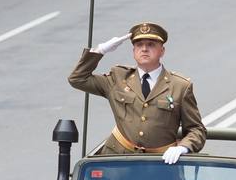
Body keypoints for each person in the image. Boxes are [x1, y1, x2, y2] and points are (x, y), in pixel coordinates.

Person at [68, 21, 206, 159]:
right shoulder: (118, 77)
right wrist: (100, 50)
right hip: (118, 160)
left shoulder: (179, 86)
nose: (144, 49)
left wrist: (183, 147)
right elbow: (77, 79)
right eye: (139, 45)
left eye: (151, 44)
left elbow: (196, 129)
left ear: (162, 51)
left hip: (160, 162)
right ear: (134, 51)